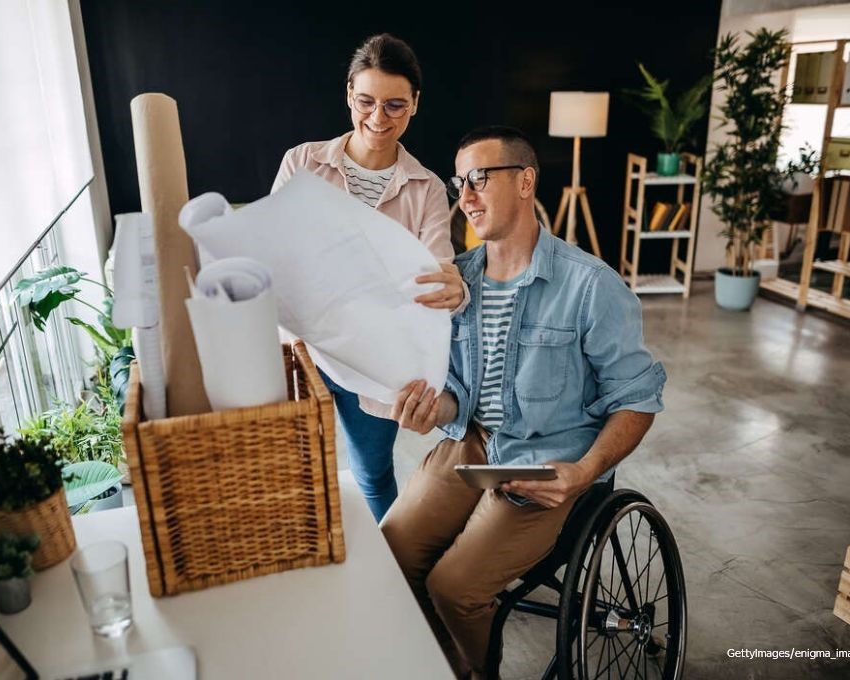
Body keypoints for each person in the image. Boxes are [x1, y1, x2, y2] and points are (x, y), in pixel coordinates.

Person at [380, 126, 666, 679]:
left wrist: (583, 471)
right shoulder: (459, 280)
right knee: (390, 553)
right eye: (459, 182)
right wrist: (432, 408)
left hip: (549, 461)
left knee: (454, 586)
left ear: (526, 181)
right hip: (473, 446)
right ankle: (433, 662)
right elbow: (461, 391)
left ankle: (474, 671)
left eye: (480, 179)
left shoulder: (591, 286)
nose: (465, 196)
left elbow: (638, 399)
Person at [272, 34, 466, 522]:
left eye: (395, 105)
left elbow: (436, 271)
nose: (379, 119)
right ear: (349, 96)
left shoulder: (426, 190)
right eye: (367, 102)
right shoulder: (302, 163)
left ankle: (396, 579)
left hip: (377, 361)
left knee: (373, 473)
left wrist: (453, 287)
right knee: (297, 473)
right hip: (301, 350)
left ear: (415, 104)